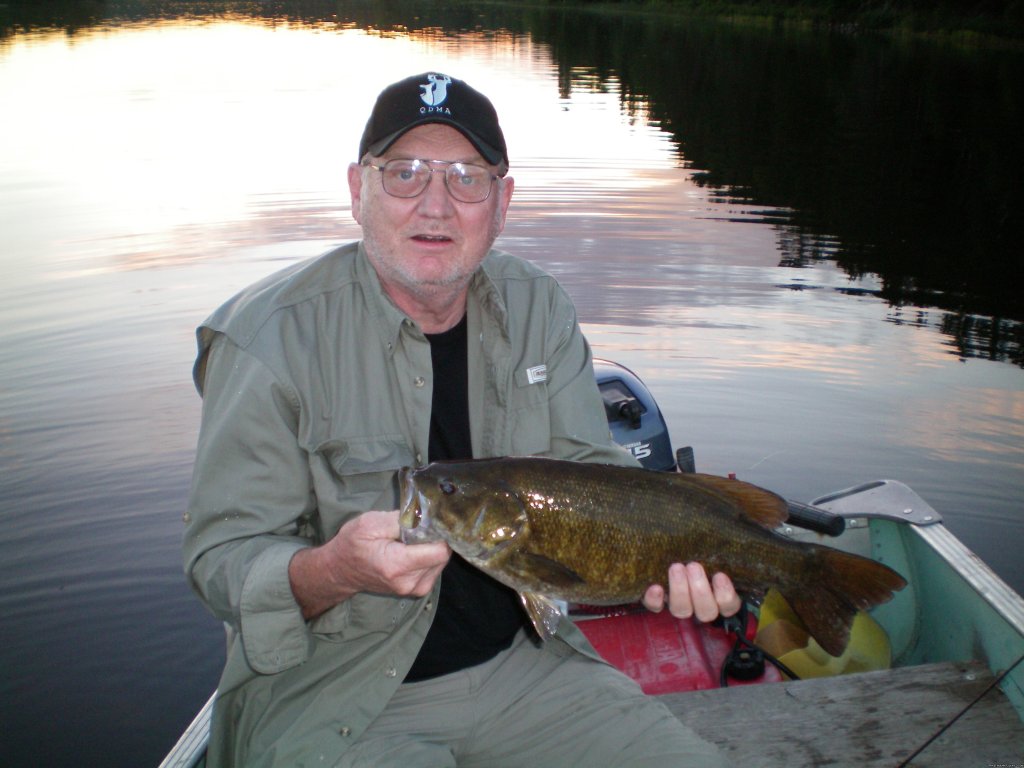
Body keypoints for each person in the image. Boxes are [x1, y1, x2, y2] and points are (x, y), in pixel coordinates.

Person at [183, 71, 741, 768]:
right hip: (336, 694)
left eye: (466, 177)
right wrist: (334, 570)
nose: (436, 205)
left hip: (530, 664)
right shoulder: (265, 341)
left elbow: (598, 482)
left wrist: (673, 554)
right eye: (406, 173)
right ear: (358, 190)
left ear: (502, 202)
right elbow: (219, 563)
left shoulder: (538, 308)